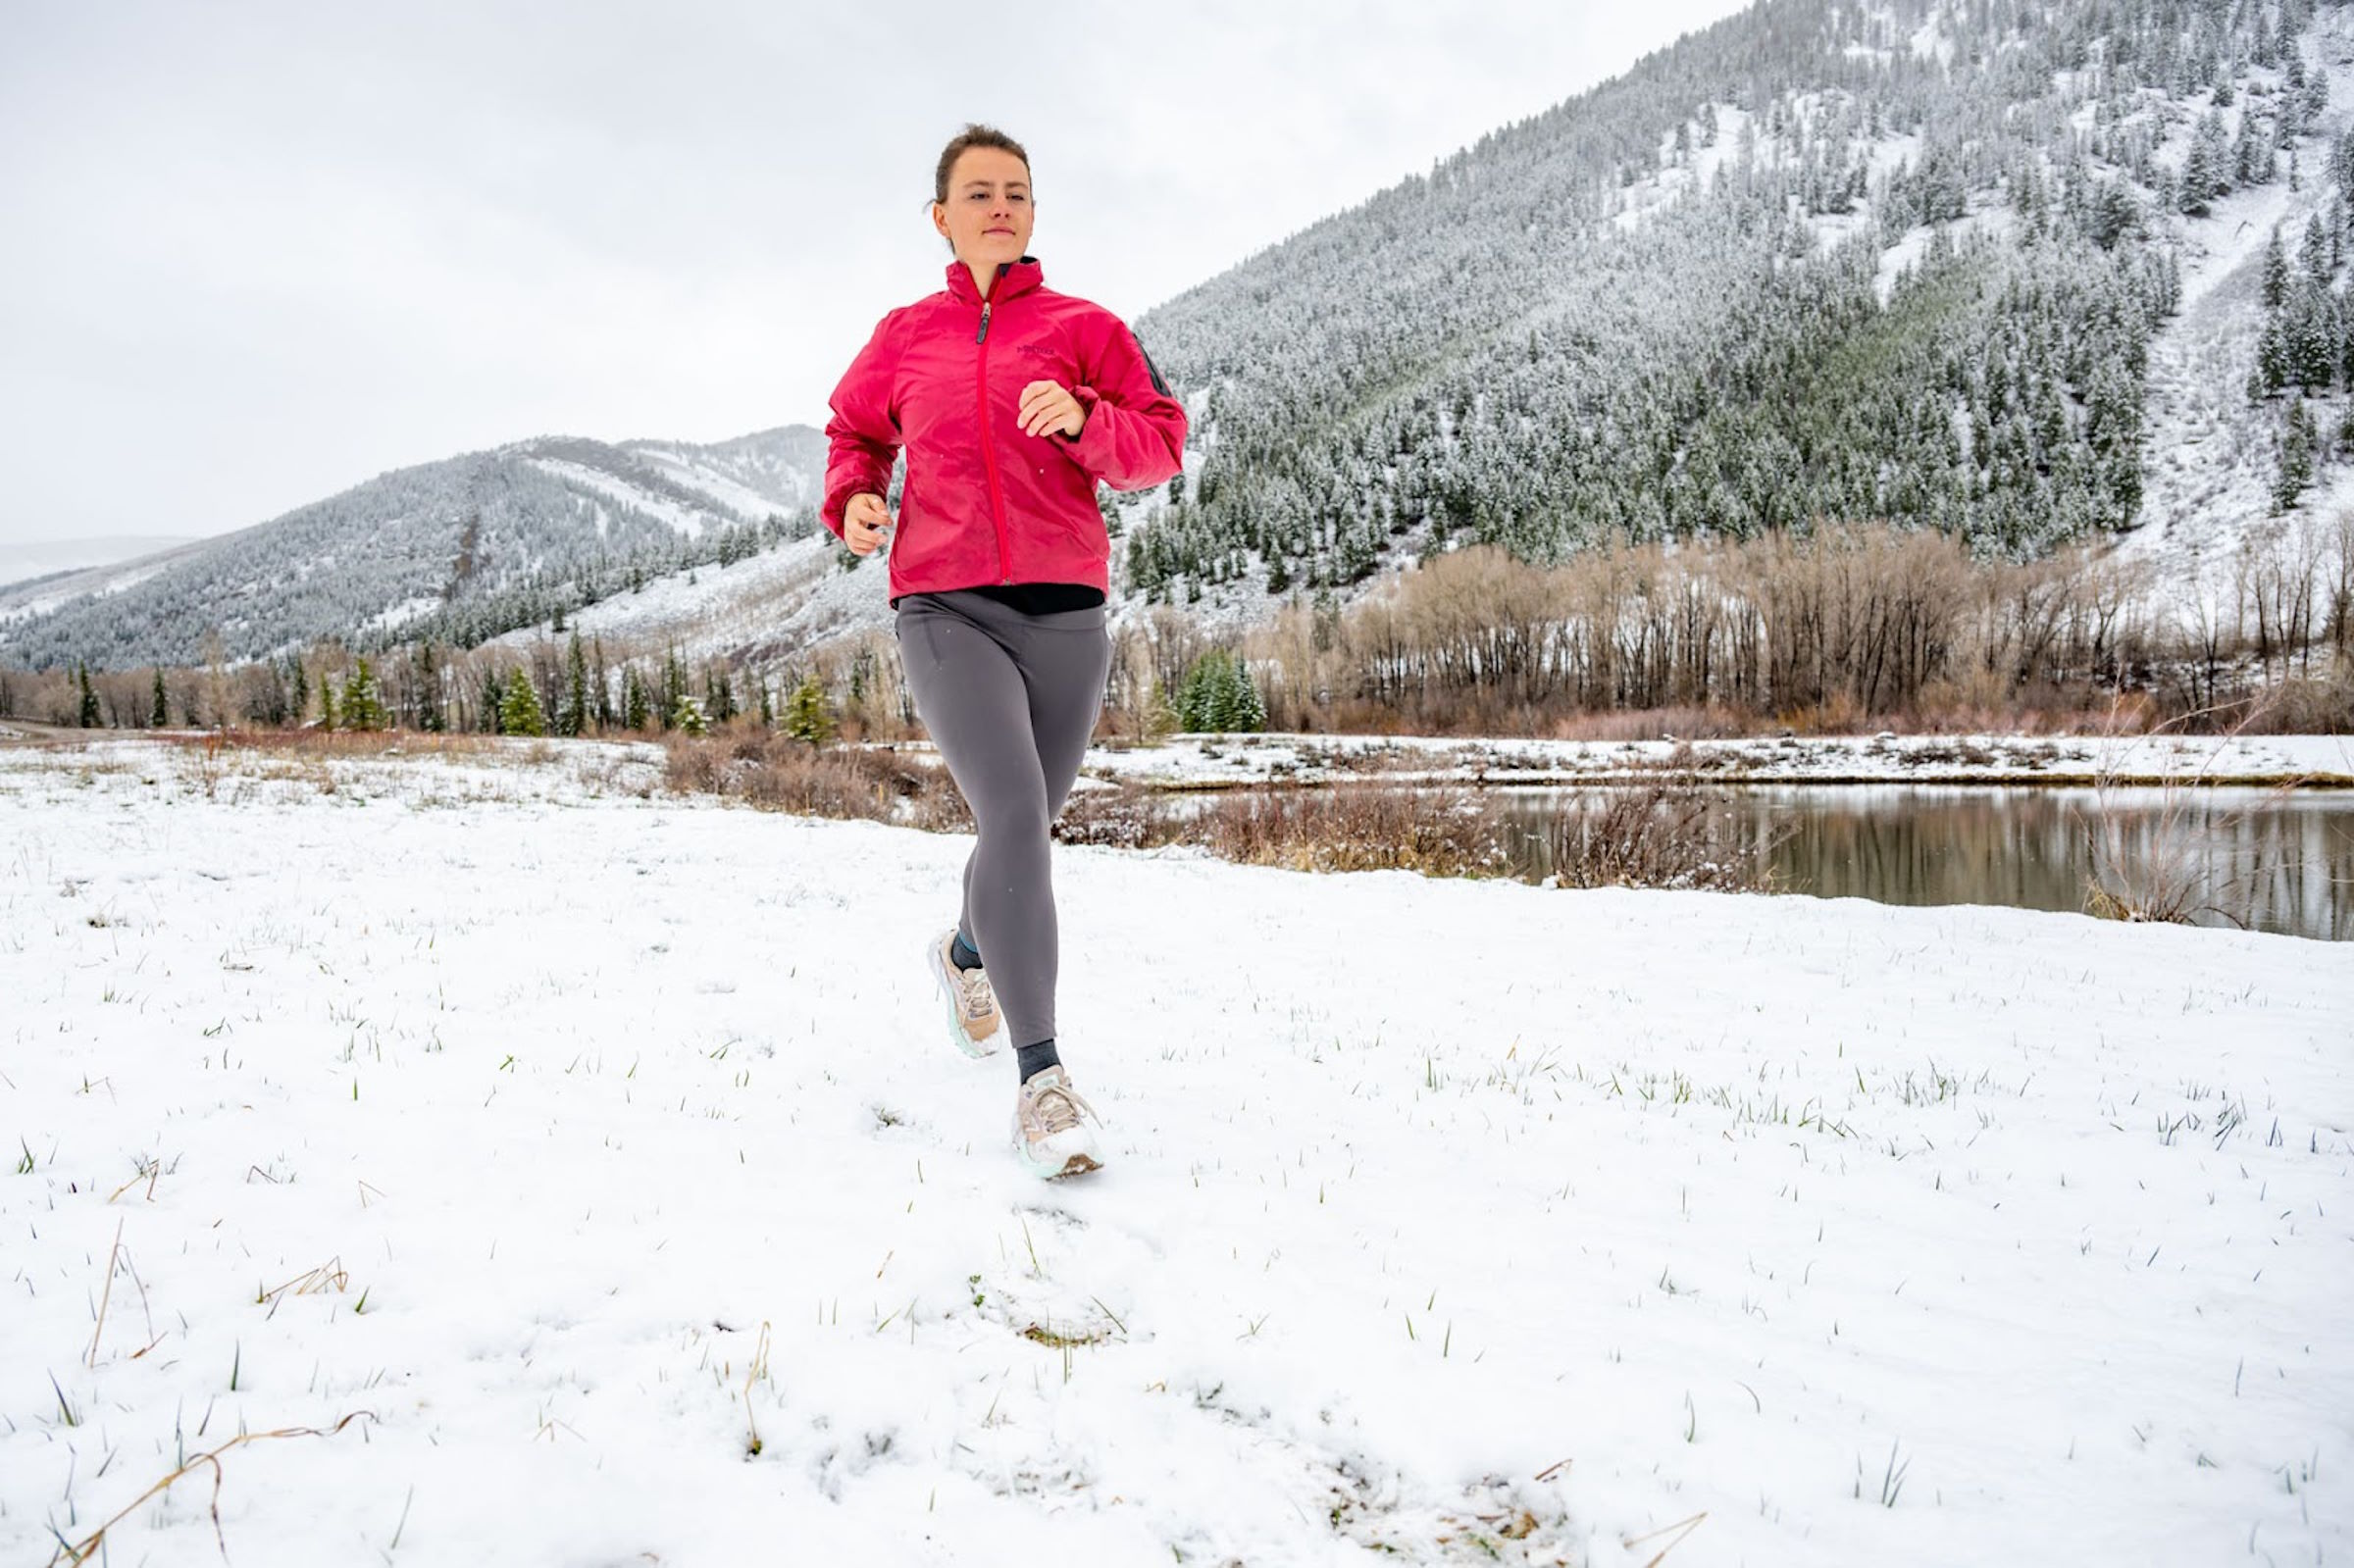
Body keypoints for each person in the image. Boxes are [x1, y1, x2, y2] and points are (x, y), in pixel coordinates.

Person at [820, 123, 1188, 1180]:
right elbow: (855, 434)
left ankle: (969, 951)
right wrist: (850, 499)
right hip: (945, 608)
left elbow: (1160, 440)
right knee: (1017, 816)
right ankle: (1043, 1080)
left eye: (1016, 191)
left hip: (1066, 611)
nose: (1000, 205)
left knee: (1029, 822)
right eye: (977, 192)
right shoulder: (902, 336)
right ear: (941, 216)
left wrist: (1082, 418)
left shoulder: (1086, 328)